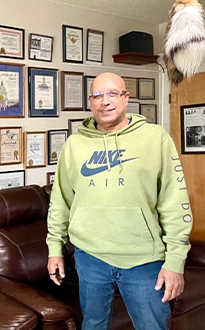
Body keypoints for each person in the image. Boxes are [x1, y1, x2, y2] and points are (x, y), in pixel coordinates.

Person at [46, 72, 193, 330]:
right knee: (93, 325)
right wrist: (55, 247)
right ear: (90, 102)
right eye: (97, 95)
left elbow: (173, 200)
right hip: (90, 256)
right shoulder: (74, 145)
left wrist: (175, 261)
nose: (105, 101)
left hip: (143, 259)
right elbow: (60, 201)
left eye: (113, 93)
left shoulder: (155, 138)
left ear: (126, 98)